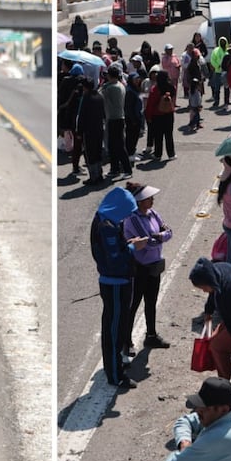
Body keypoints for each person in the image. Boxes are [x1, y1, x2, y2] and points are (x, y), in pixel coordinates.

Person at [90, 187, 141, 389]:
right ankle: (115, 374)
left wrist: (128, 243)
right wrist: (133, 247)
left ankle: (114, 365)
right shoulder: (107, 227)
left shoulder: (106, 219)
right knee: (114, 331)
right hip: (115, 284)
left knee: (115, 327)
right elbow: (115, 258)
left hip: (116, 281)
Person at [123, 183, 173, 351]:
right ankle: (126, 341)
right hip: (139, 269)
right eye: (148, 198)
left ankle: (151, 336)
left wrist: (159, 236)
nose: (152, 200)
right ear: (139, 201)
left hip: (154, 266)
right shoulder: (133, 218)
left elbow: (169, 231)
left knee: (151, 302)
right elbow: (148, 242)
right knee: (133, 305)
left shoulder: (153, 214)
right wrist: (160, 237)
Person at [101, 65, 131, 180]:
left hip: (115, 119)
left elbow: (103, 96)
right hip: (114, 118)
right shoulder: (119, 85)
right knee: (112, 146)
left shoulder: (112, 88)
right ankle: (114, 169)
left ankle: (127, 170)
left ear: (110, 75)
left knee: (119, 146)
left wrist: (103, 87)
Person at [77, 77, 106, 185]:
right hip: (99, 128)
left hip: (89, 130)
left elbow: (82, 116)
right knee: (98, 152)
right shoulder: (100, 96)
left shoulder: (86, 98)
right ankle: (99, 174)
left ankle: (93, 177)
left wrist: (79, 132)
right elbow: (104, 113)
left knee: (90, 154)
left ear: (85, 87)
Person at [146, 70, 177, 161]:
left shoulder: (155, 89)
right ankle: (171, 154)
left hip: (157, 115)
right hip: (169, 114)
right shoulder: (171, 87)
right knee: (169, 135)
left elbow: (150, 104)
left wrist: (148, 116)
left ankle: (158, 154)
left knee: (158, 136)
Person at [124, 71, 145, 163]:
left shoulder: (136, 89)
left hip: (138, 116)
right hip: (132, 118)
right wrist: (133, 120)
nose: (137, 81)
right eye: (135, 79)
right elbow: (128, 108)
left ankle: (133, 151)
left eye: (138, 79)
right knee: (131, 136)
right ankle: (130, 154)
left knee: (135, 136)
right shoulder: (129, 91)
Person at [209, 37, 228, 108]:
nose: (222, 42)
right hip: (218, 72)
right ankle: (216, 101)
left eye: (224, 41)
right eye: (221, 41)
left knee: (226, 87)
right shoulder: (216, 50)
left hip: (226, 72)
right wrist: (217, 66)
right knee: (217, 88)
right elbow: (212, 60)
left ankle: (226, 101)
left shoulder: (227, 51)